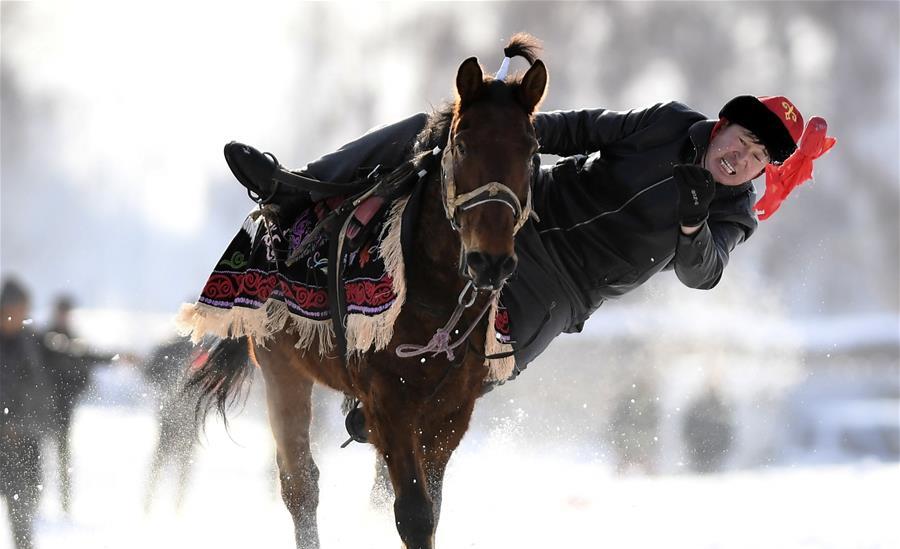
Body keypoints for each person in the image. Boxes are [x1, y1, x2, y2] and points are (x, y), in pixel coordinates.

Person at [223, 89, 833, 377]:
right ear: (722, 126)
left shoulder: (734, 214)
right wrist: (510, 125)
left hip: (567, 284)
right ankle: (302, 187)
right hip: (534, 208)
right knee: (433, 130)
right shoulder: (669, 123)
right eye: (741, 141)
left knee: (496, 362)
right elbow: (583, 129)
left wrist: (695, 222)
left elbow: (704, 273)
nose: (742, 159)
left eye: (758, 157)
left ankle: (396, 403)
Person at [40, 295, 121, 513]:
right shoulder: (43, 339)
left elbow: (90, 356)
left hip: (64, 407)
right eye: (61, 311)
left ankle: (65, 504)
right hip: (39, 408)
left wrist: (116, 357)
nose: (64, 316)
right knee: (37, 457)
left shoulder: (73, 340)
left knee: (63, 455)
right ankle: (34, 503)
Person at [0, 279, 50, 549]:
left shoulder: (29, 340)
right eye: (19, 310)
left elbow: (63, 356)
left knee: (24, 500)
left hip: (23, 437)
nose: (21, 316)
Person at [142, 334, 201, 513]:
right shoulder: (177, 347)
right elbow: (150, 372)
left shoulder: (202, 349)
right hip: (173, 414)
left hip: (186, 415)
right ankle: (153, 504)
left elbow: (149, 371)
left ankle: (172, 506)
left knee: (178, 463)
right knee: (169, 461)